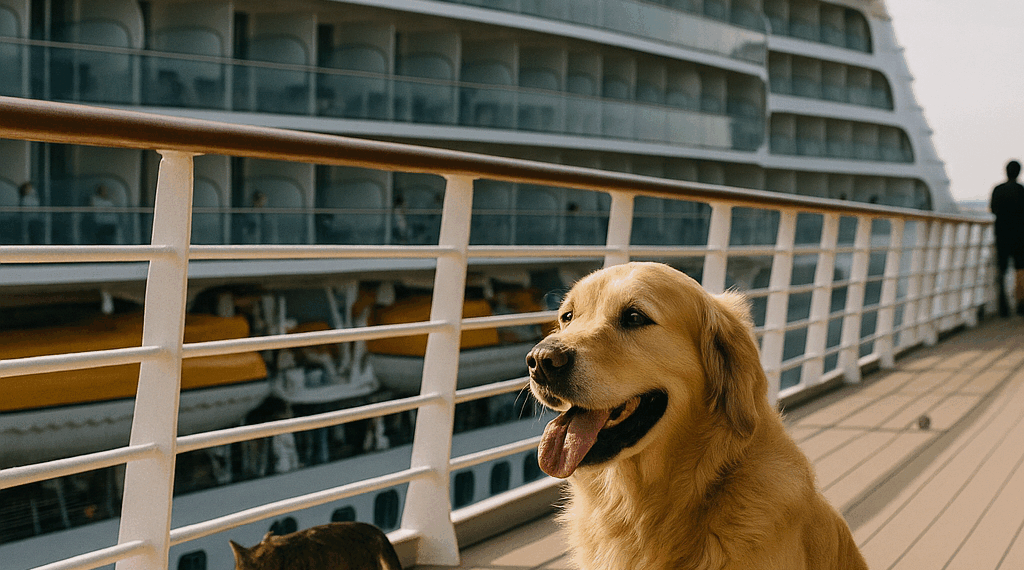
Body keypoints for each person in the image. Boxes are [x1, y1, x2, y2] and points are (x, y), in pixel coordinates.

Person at [990, 160, 1024, 317]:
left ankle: (1003, 306)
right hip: (1019, 235)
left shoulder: (998, 190)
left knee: (1002, 270)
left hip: (1002, 234)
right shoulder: (1021, 190)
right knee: (1020, 269)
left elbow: (993, 209)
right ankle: (1020, 304)